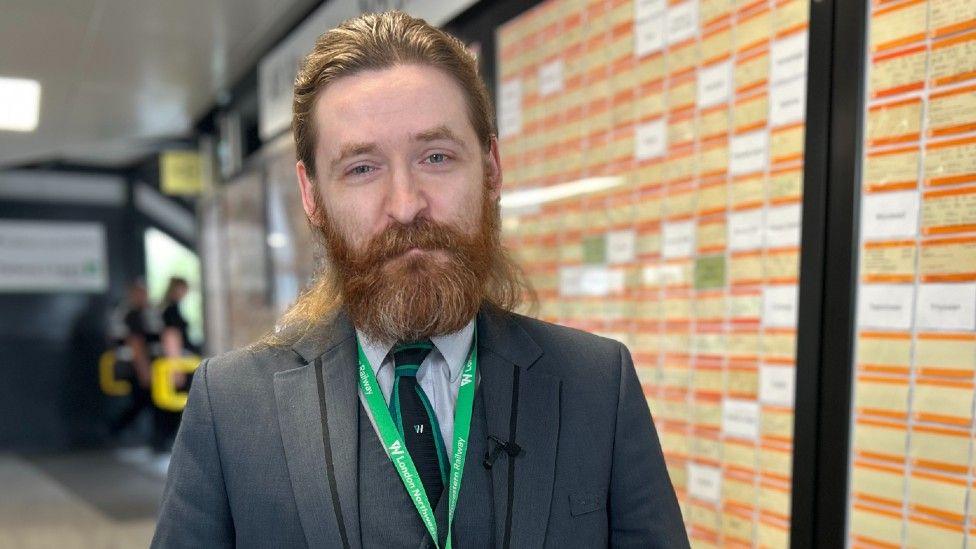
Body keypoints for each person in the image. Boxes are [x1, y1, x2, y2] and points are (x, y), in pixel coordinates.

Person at [153, 10, 687, 548]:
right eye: (362, 167)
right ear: (311, 194)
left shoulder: (596, 386)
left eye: (436, 156)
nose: (406, 205)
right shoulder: (232, 408)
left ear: (492, 167)